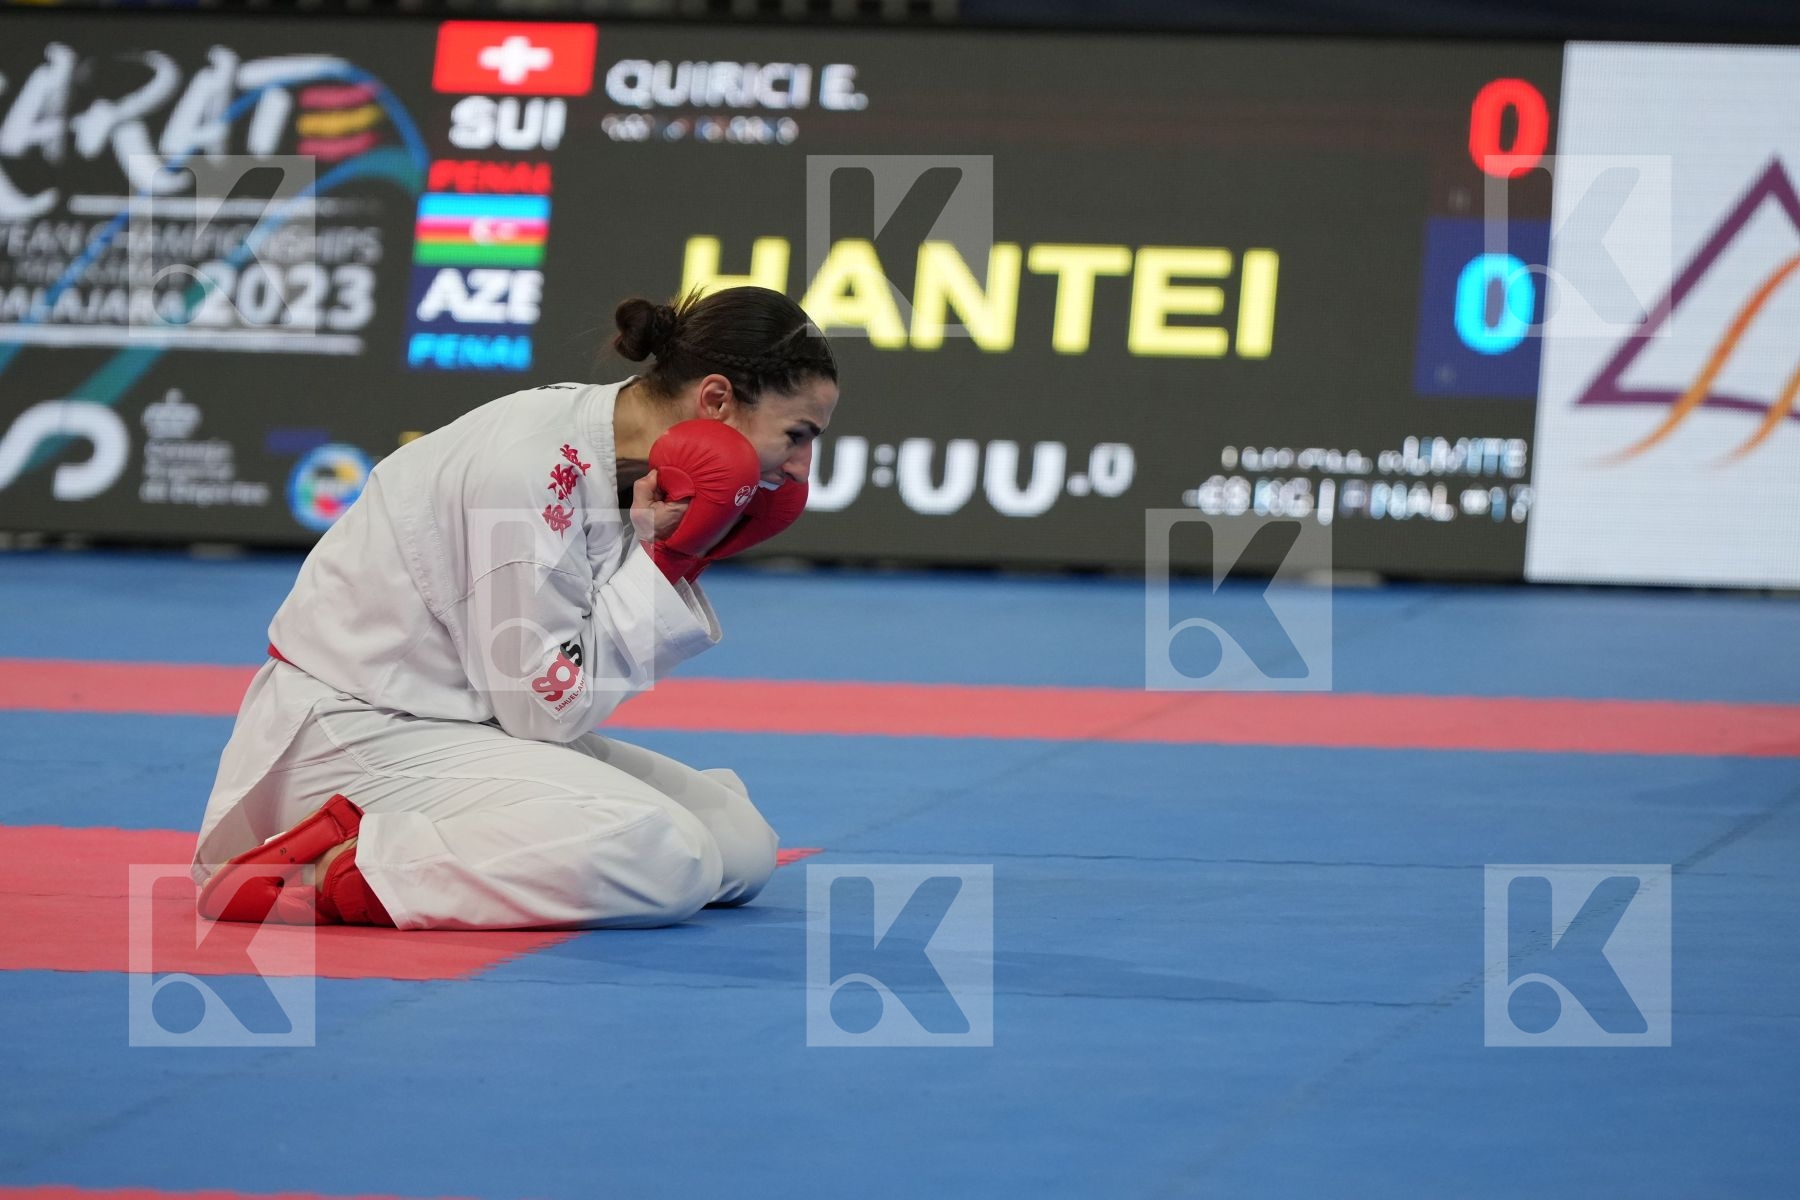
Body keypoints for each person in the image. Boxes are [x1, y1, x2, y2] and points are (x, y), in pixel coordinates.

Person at [190, 286, 838, 930]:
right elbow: (544, 712)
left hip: (460, 724)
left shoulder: (618, 451)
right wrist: (668, 565)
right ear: (717, 399)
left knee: (742, 847)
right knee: (669, 855)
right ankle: (335, 869)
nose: (803, 466)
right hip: (357, 733)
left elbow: (557, 671)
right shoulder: (527, 470)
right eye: (798, 434)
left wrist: (683, 555)